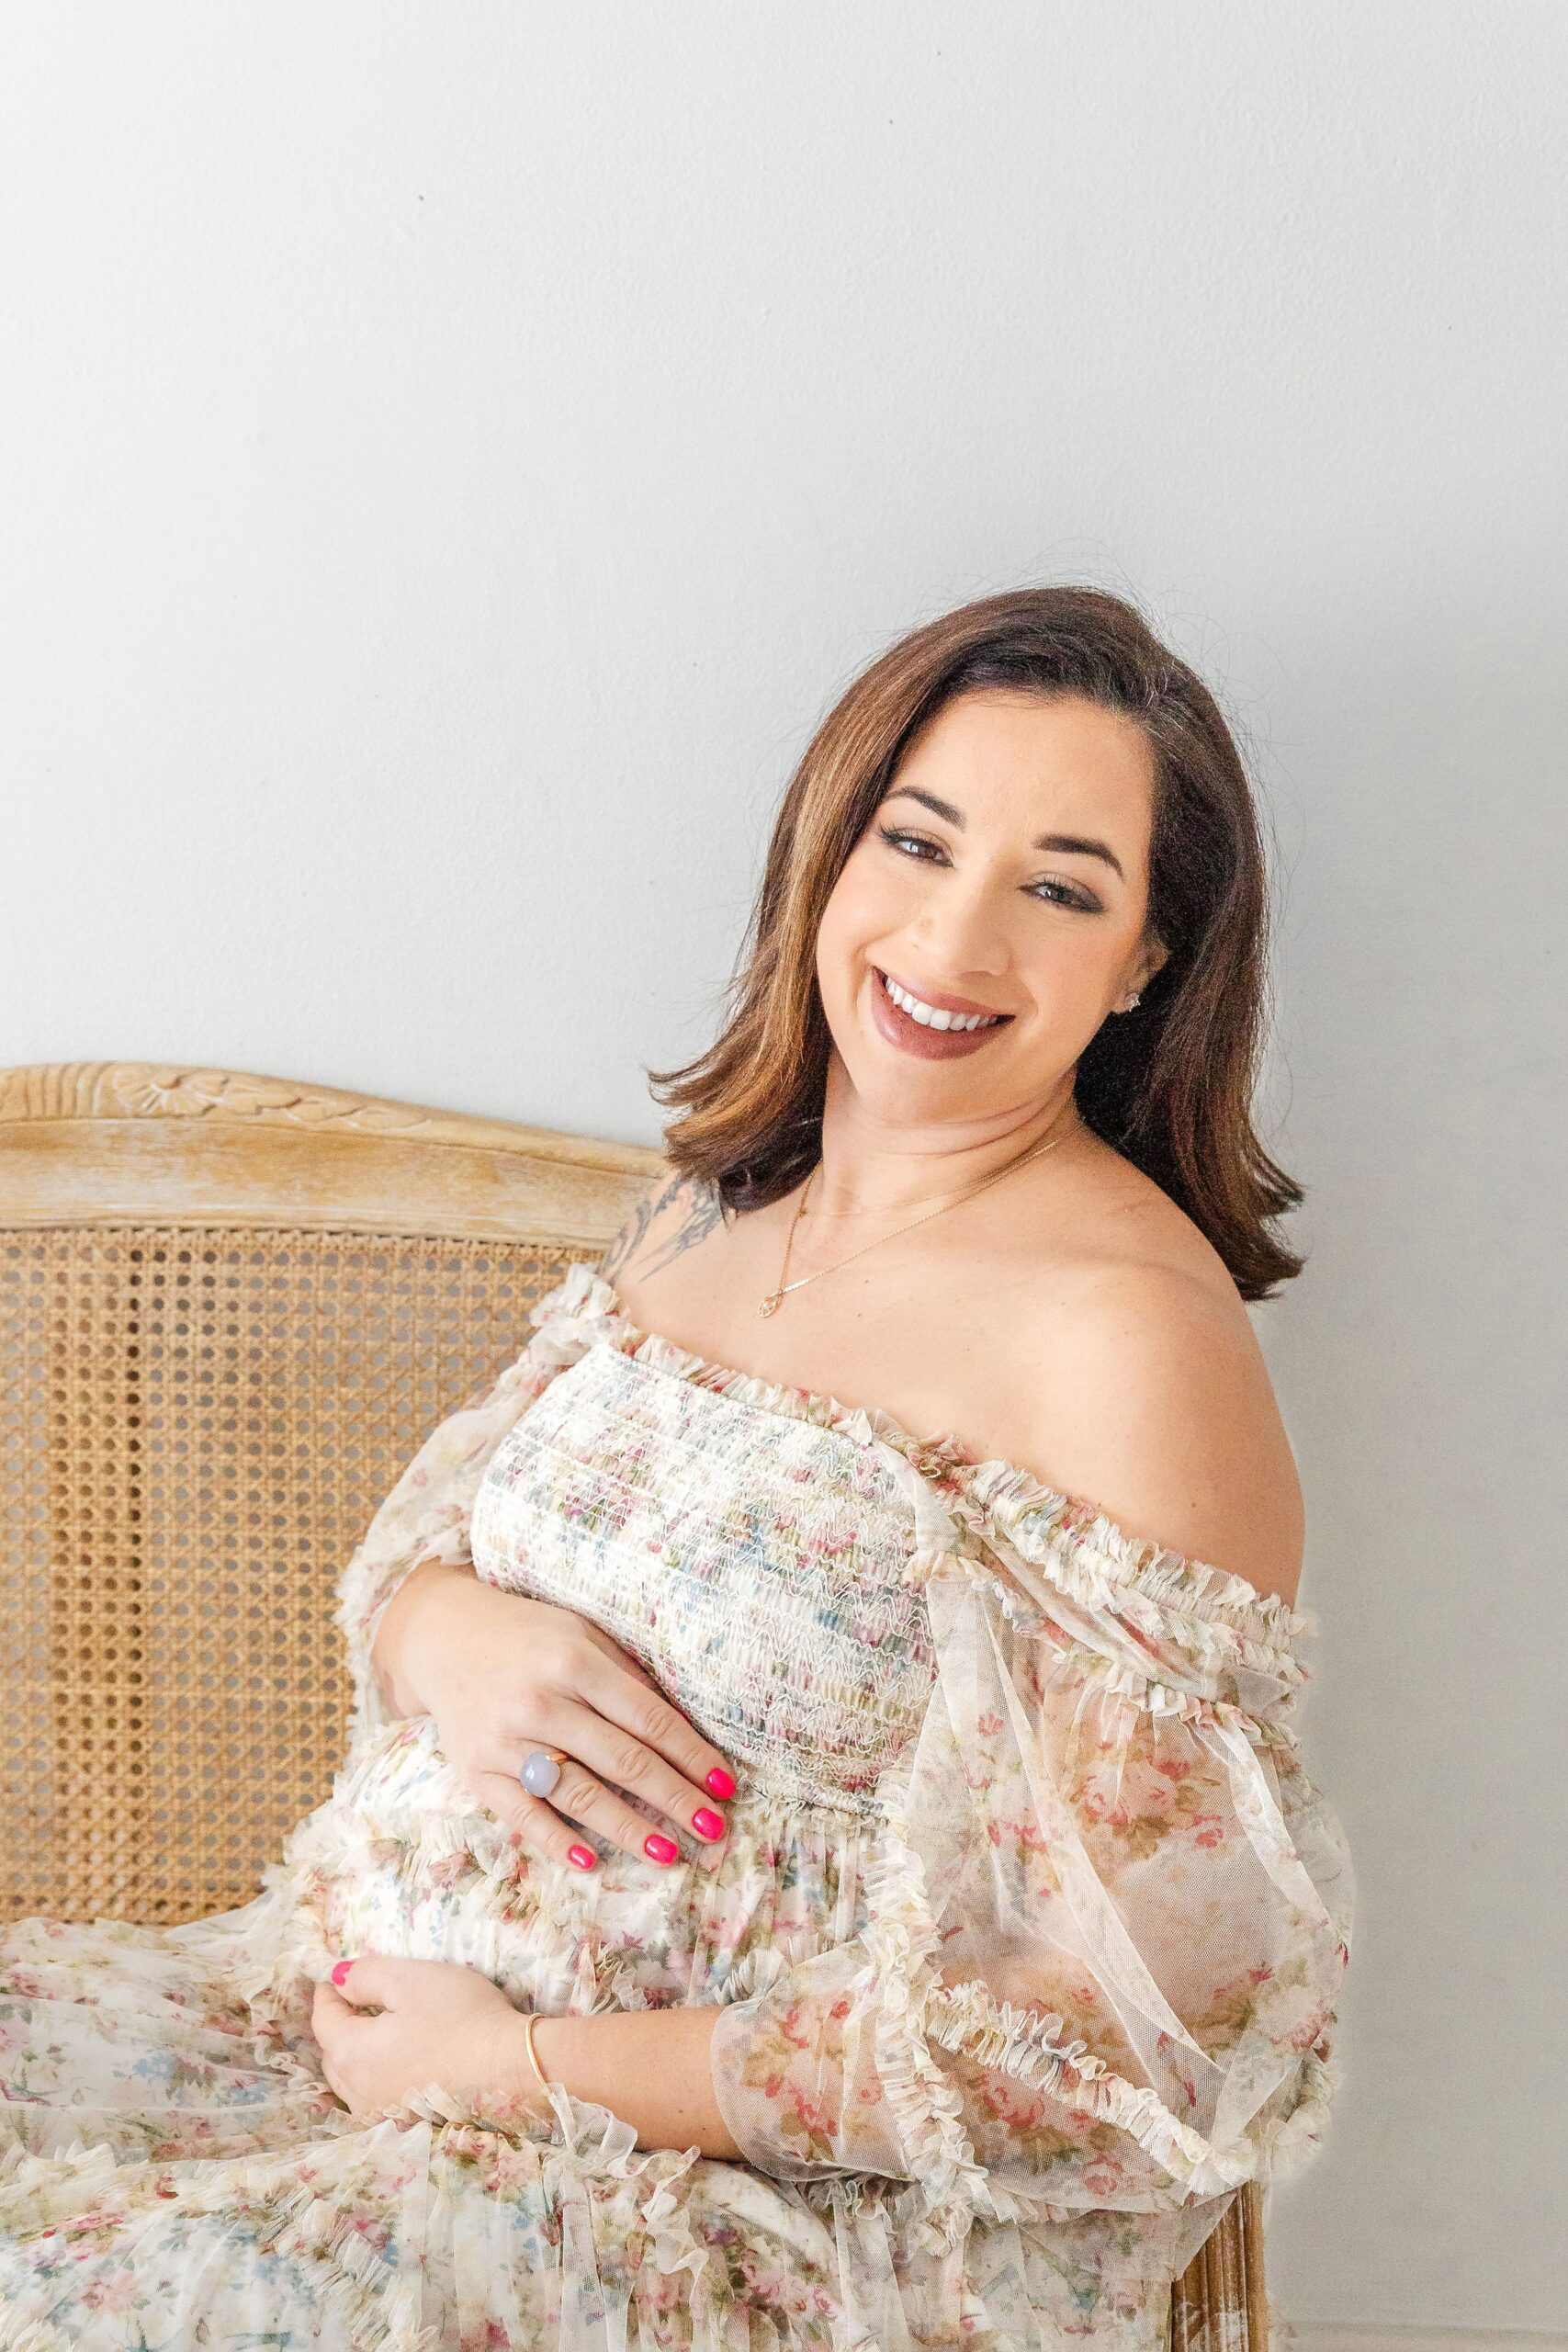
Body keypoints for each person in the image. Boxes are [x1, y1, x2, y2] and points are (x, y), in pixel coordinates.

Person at [0, 585, 1353, 2351]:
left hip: (742, 2207)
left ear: (1146, 962)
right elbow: (427, 1543)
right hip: (330, 2021)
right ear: (829, 850)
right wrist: (433, 1630)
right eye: (917, 842)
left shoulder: (1126, 1337)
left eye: (1060, 886)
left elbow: (1136, 2034)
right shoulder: (707, 1216)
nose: (954, 942)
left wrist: (530, 2068)